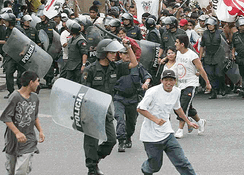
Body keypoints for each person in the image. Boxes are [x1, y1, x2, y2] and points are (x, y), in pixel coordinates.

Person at [81, 39, 138, 175]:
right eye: (112, 52)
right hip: (91, 110)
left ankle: (95, 159)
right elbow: (83, 92)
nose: (115, 55)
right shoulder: (90, 70)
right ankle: (92, 167)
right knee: (91, 141)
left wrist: (128, 47)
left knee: (111, 140)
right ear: (103, 52)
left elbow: (134, 63)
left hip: (106, 109)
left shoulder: (116, 67)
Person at [137, 69, 199, 175]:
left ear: (175, 81)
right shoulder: (153, 92)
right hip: (151, 136)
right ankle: (146, 169)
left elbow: (178, 108)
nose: (168, 83)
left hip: (167, 134)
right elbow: (140, 108)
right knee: (155, 166)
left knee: (182, 161)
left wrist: (188, 121)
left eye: (171, 80)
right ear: (161, 80)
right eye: (166, 80)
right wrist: (155, 120)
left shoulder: (176, 91)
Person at [0, 71, 45, 175]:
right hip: (13, 140)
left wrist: (40, 131)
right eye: (37, 81)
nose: (38, 84)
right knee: (11, 170)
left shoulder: (35, 98)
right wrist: (17, 133)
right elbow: (6, 117)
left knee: (21, 171)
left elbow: (35, 116)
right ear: (31, 82)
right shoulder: (15, 96)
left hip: (28, 139)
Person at [114, 45, 152, 152]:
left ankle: (128, 137)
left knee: (131, 122)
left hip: (133, 98)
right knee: (120, 118)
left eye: (129, 53)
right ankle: (121, 141)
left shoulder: (138, 66)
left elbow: (147, 76)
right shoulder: (117, 66)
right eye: (124, 53)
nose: (127, 56)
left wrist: (146, 83)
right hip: (119, 97)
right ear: (120, 55)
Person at [173, 34, 211, 139]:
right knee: (187, 108)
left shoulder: (192, 55)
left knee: (183, 106)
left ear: (182, 44)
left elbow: (200, 69)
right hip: (180, 84)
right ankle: (200, 121)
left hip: (190, 84)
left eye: (176, 42)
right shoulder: (178, 54)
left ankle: (180, 129)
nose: (175, 44)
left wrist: (207, 83)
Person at [200, 17, 225, 99]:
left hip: (218, 55)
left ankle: (222, 87)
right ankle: (213, 91)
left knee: (219, 73)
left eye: (211, 25)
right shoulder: (205, 33)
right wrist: (200, 57)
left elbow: (225, 45)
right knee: (210, 74)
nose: (209, 26)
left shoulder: (220, 33)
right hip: (208, 55)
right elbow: (202, 46)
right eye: (208, 25)